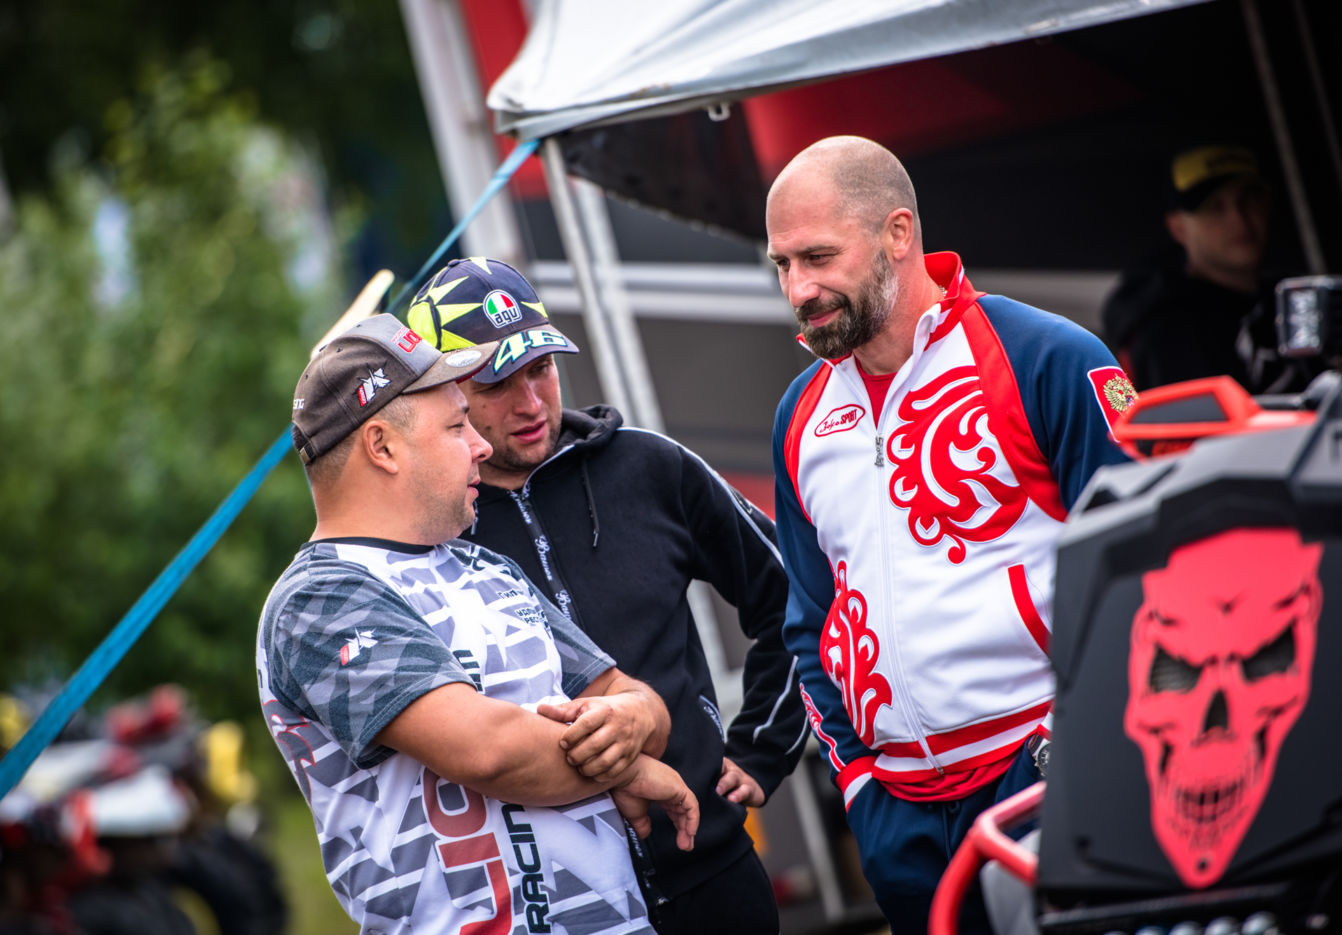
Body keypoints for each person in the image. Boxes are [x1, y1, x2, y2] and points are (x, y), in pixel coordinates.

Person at [764, 136, 1133, 935]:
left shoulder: (1046, 356)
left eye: (818, 257)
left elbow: (1143, 572)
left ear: (898, 233)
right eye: (782, 265)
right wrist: (860, 785)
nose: (799, 288)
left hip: (1046, 778)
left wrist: (1085, 746)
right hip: (899, 818)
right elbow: (812, 621)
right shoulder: (799, 416)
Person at [256, 313, 699, 935]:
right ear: (382, 446)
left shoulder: (486, 566)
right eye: (456, 425)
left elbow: (629, 697)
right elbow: (488, 751)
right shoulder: (319, 598)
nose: (482, 446)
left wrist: (637, 719)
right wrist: (632, 766)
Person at [404, 257, 808, 935]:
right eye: (496, 382)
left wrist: (763, 747)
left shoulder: (648, 465)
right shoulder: (428, 531)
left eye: (540, 367)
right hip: (560, 911)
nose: (531, 402)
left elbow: (796, 595)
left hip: (714, 873)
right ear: (443, 394)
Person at [1101, 142, 1274, 391]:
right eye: (1215, 207)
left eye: (1248, 199)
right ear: (1178, 228)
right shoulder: (1167, 328)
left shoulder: (1287, 295)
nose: (1238, 218)